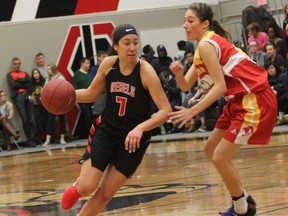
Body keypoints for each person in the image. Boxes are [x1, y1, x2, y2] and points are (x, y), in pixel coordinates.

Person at [168, 3, 277, 216]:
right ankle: (243, 200)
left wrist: (192, 111)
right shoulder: (202, 46)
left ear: (205, 24)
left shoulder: (208, 45)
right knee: (210, 150)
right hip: (238, 100)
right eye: (184, 21)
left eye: (190, 21)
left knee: (219, 157)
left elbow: (220, 87)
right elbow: (184, 86)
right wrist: (179, 73)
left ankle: (242, 208)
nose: (185, 25)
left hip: (254, 99)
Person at [60, 24, 171, 215]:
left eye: (135, 43)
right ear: (116, 46)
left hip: (133, 141)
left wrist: (140, 128)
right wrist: (68, 95)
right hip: (107, 131)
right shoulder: (108, 64)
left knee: (104, 194)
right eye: (127, 43)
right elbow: (90, 94)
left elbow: (165, 111)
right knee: (87, 187)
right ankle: (77, 186)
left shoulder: (146, 71)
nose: (132, 47)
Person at [7, 57, 35, 147]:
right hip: (18, 98)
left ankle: (31, 139)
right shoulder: (9, 74)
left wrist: (19, 82)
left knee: (31, 119)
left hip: (27, 96)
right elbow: (13, 85)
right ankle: (29, 140)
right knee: (25, 119)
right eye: (15, 64)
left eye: (19, 63)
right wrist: (23, 82)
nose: (17, 65)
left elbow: (30, 84)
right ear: (12, 65)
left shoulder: (25, 73)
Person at [42, 63, 67, 146]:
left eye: (49, 69)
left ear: (53, 69)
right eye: (48, 69)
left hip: (59, 101)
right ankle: (48, 139)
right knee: (50, 120)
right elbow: (45, 89)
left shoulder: (60, 77)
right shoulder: (48, 79)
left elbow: (65, 88)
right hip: (51, 103)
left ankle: (62, 138)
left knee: (62, 119)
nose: (48, 71)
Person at [72, 57, 93, 138]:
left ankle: (91, 133)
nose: (89, 65)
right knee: (87, 115)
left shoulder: (89, 74)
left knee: (91, 116)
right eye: (87, 63)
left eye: (89, 63)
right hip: (82, 99)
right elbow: (74, 86)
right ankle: (87, 133)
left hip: (90, 98)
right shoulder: (77, 74)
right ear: (82, 64)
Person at [27, 68, 48, 145]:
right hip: (35, 105)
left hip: (44, 104)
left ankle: (48, 138)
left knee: (45, 120)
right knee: (37, 122)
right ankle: (39, 139)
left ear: (39, 74)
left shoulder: (44, 82)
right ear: (32, 75)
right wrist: (32, 99)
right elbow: (29, 95)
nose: (36, 75)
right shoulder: (30, 85)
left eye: (37, 73)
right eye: (34, 74)